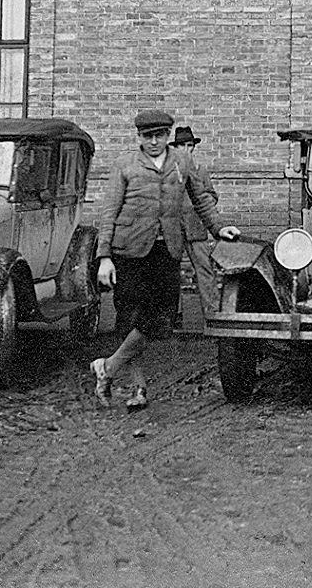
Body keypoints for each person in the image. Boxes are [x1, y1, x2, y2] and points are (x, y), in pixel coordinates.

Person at [91, 110, 240, 411]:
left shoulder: (183, 163)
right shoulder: (124, 165)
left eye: (160, 135)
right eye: (148, 136)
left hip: (166, 250)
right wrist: (105, 257)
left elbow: (200, 200)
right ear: (139, 137)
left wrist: (218, 227)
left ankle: (107, 366)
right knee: (129, 317)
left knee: (162, 318)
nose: (154, 141)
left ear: (169, 135)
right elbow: (109, 213)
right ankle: (138, 388)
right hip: (128, 251)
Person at [168, 126, 219, 328]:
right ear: (175, 148)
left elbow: (211, 196)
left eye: (190, 146)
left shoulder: (200, 170)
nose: (187, 150)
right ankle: (173, 317)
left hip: (196, 228)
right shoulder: (168, 171)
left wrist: (201, 207)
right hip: (173, 229)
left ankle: (212, 316)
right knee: (171, 272)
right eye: (182, 146)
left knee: (204, 271)